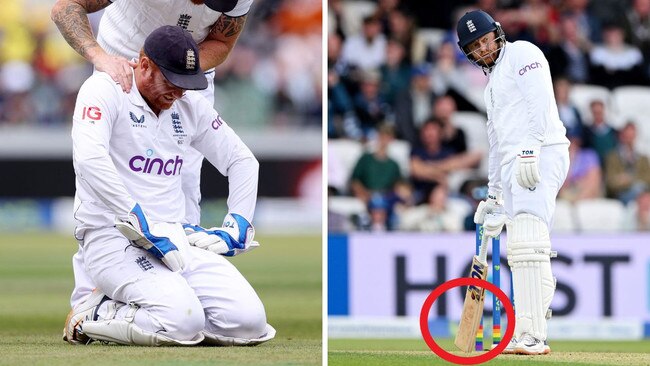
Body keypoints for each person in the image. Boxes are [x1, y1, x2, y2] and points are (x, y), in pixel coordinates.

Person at [63, 25, 275, 347]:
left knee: (249, 322)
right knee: (182, 321)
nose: (178, 93)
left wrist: (238, 224)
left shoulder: (187, 104)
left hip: (175, 238)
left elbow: (242, 161)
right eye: (171, 82)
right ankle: (95, 312)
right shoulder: (104, 90)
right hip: (112, 237)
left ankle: (165, 316)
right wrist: (137, 219)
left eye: (185, 85)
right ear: (144, 65)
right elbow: (89, 159)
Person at [456, 10, 570, 355]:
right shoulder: (491, 88)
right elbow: (495, 142)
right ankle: (525, 332)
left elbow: (540, 104)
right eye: (475, 46)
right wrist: (493, 192)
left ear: (497, 33)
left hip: (541, 151)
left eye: (485, 39)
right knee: (521, 247)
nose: (483, 48)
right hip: (512, 163)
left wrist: (531, 148)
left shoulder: (523, 53)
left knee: (528, 239)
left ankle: (534, 336)